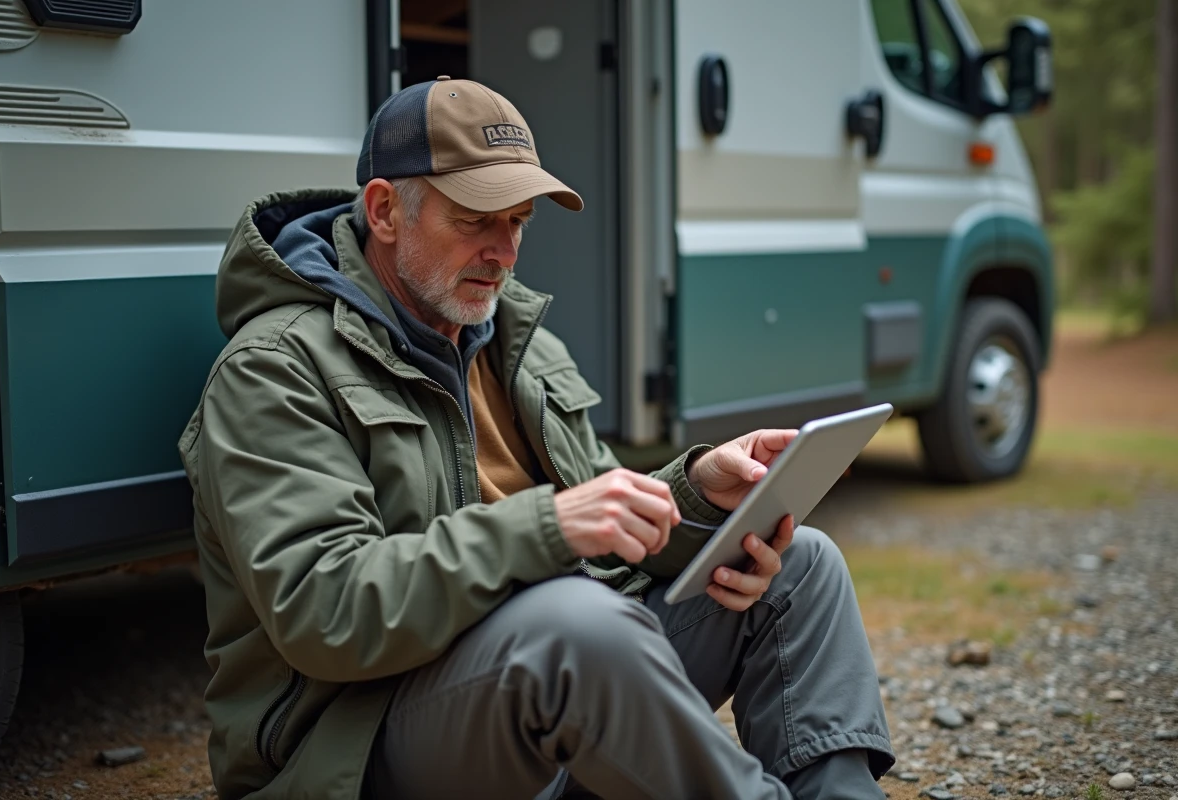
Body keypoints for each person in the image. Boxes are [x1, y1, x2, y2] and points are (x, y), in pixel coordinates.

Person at [178, 76, 895, 800]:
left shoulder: (518, 346)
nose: (505, 251)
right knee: (575, 628)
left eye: (518, 221)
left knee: (803, 566)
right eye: (475, 220)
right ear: (385, 210)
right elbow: (323, 612)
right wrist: (546, 526)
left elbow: (611, 550)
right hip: (355, 746)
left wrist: (700, 497)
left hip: (547, 702)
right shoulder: (274, 370)